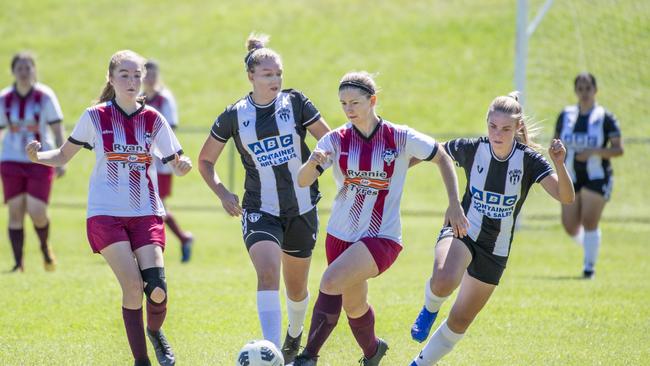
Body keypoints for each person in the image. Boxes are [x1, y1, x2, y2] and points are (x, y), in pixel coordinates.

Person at [26, 50, 192, 366]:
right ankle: (141, 360)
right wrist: (38, 157)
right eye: (124, 75)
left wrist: (182, 166)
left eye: (136, 75)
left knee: (156, 290)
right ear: (112, 79)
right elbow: (63, 155)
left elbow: (176, 161)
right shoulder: (95, 117)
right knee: (132, 286)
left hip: (146, 212)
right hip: (106, 214)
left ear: (143, 80)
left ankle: (155, 333)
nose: (131, 81)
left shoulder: (153, 118)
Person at [290, 71, 468, 366]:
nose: (349, 109)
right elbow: (302, 180)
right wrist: (312, 163)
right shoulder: (336, 139)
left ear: (372, 101)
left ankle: (308, 357)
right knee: (354, 305)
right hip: (339, 236)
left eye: (355, 103)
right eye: (343, 103)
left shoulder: (399, 136)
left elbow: (441, 157)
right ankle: (373, 352)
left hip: (381, 238)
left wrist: (453, 203)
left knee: (330, 281)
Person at [408, 92, 574, 366]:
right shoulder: (473, 148)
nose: (498, 134)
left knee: (460, 320)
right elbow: (434, 151)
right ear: (486, 124)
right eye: (493, 127)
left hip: (495, 249)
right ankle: (429, 309)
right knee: (444, 280)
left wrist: (559, 162)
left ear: (518, 128)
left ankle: (419, 364)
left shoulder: (529, 161)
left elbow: (566, 198)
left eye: (506, 129)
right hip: (463, 230)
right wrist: (397, 168)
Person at [197, 33, 330, 363]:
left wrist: (317, 165)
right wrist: (222, 192)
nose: (275, 79)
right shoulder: (234, 115)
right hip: (259, 208)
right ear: (251, 77)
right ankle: (273, 353)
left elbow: (329, 141)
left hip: (302, 207)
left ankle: (294, 336)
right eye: (268, 74)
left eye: (279, 73)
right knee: (268, 271)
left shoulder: (296, 102)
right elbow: (205, 160)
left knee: (296, 288)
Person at [0, 52, 65, 272]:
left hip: (40, 160)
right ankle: (18, 264)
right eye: (20, 67)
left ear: (34, 70)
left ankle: (45, 248)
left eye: (28, 67)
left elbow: (57, 127)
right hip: (11, 160)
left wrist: (61, 158)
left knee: (37, 211)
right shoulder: (4, 98)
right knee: (15, 210)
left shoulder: (45, 96)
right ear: (13, 71)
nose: (24, 72)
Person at [555, 73, 623, 279]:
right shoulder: (565, 115)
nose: (584, 93)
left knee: (589, 220)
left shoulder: (605, 117)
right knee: (569, 224)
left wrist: (594, 151)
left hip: (597, 175)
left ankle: (589, 268)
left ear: (595, 90)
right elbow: (556, 142)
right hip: (572, 175)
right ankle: (590, 246)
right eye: (580, 88)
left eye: (588, 88)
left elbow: (618, 149)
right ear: (575, 91)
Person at [142, 59, 193, 262]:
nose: (150, 78)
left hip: (161, 163)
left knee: (157, 206)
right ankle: (180, 239)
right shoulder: (138, 98)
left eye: (154, 74)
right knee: (153, 206)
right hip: (142, 161)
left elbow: (170, 130)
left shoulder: (165, 99)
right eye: (147, 74)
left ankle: (179, 240)